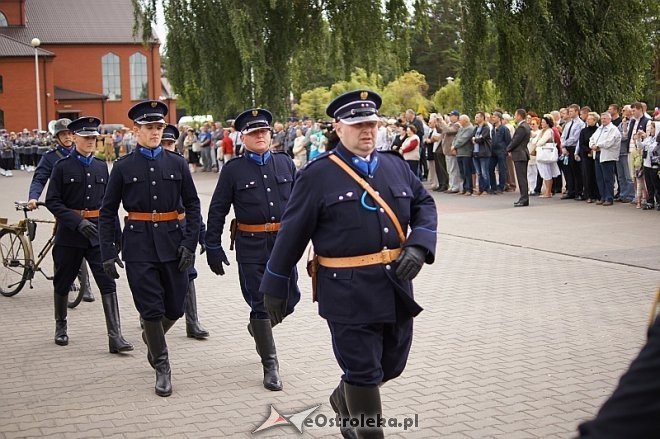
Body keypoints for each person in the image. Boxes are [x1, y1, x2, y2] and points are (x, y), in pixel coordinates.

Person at [259, 90, 437, 439]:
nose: (367, 131)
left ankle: (344, 398)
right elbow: (292, 234)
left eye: (371, 123)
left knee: (392, 365)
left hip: (396, 288)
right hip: (346, 293)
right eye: (357, 125)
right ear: (339, 128)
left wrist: (420, 245)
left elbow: (424, 204)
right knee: (363, 373)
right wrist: (276, 284)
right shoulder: (317, 175)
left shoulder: (395, 165)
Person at [99, 101, 201, 397]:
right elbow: (107, 211)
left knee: (175, 308)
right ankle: (162, 366)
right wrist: (108, 250)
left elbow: (193, 205)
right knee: (151, 309)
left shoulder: (178, 163)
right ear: (137, 131)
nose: (156, 132)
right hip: (138, 245)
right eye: (149, 128)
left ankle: (151, 337)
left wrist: (189, 244)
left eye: (159, 127)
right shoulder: (122, 167)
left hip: (173, 242)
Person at [205, 108, 300, 392]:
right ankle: (270, 365)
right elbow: (218, 210)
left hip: (283, 247)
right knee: (260, 303)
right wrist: (212, 244)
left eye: (264, 132)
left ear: (271, 134)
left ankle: (259, 329)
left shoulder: (285, 164)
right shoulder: (233, 170)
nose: (260, 136)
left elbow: (302, 205)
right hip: (251, 247)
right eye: (254, 132)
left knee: (290, 300)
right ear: (243, 136)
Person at [44, 117, 133, 353]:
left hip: (97, 235)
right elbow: (52, 201)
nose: (91, 142)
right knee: (63, 281)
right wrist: (76, 222)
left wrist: (116, 238)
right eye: (86, 138)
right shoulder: (62, 167)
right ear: (74, 138)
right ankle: (61, 326)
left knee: (107, 282)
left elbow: (109, 205)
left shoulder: (101, 166)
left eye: (94, 138)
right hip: (70, 236)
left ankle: (115, 336)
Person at [27, 118, 94, 302]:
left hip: (82, 206)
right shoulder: (50, 157)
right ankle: (68, 281)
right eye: (62, 134)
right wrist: (33, 197)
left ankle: (84, 285)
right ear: (57, 137)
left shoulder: (82, 153)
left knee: (80, 243)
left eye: (69, 134)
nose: (67, 137)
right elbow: (40, 178)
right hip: (61, 207)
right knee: (65, 243)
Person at [161, 124, 209, 339]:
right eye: (163, 143)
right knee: (158, 276)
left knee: (188, 273)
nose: (166, 147)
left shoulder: (178, 167)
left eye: (169, 143)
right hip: (156, 232)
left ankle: (193, 322)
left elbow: (192, 205)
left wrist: (202, 234)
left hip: (181, 229)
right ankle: (150, 318)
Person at [589, 112, 621, 206]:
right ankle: (602, 196)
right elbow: (592, 139)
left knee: (608, 178)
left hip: (607, 156)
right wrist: (593, 145)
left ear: (610, 119)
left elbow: (609, 142)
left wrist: (598, 145)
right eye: (602, 118)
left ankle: (609, 198)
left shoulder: (613, 129)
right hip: (598, 154)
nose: (603, 120)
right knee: (600, 178)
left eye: (605, 118)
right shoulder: (599, 129)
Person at [507, 109, 531, 207]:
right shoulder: (525, 126)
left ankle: (524, 198)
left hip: (520, 154)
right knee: (522, 177)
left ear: (520, 116)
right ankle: (523, 198)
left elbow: (516, 140)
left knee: (521, 178)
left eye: (516, 115)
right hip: (522, 153)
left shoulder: (522, 127)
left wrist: (508, 149)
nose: (515, 117)